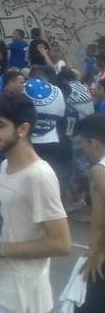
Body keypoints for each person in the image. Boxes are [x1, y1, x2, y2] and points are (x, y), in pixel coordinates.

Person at [0, 92, 72, 313]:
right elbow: (8, 219)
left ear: (23, 129)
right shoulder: (5, 167)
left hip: (23, 301)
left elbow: (61, 243)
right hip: (2, 293)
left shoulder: (39, 176)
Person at [77, 114, 105, 311]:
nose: (82, 150)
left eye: (83, 144)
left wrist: (98, 250)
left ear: (94, 143)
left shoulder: (99, 170)